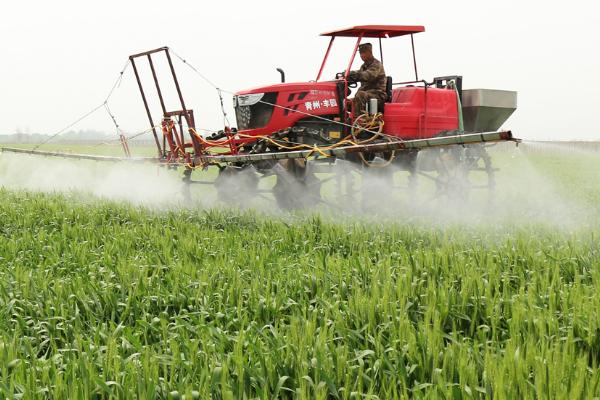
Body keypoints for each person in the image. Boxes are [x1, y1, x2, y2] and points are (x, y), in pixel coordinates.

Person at [349, 43, 387, 115]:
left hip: (378, 94)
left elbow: (368, 75)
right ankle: (347, 120)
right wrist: (347, 75)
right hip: (368, 93)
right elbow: (359, 73)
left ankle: (360, 121)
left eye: (363, 53)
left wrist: (355, 74)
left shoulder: (376, 64)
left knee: (360, 95)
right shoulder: (364, 66)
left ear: (370, 52)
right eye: (360, 53)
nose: (361, 55)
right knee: (348, 101)